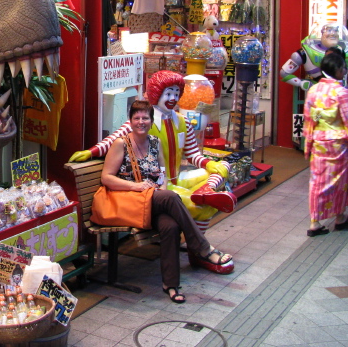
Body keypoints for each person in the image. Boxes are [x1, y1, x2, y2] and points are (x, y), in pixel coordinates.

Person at [100, 100, 233, 304]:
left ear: (151, 121)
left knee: (170, 226)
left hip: (153, 201)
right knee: (171, 197)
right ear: (131, 121)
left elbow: (162, 175)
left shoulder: (155, 142)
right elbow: (106, 177)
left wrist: (160, 193)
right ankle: (202, 247)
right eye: (137, 118)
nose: (141, 122)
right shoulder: (121, 144)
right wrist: (136, 186)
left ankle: (171, 285)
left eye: (145, 118)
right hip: (131, 202)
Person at [71, 71, 236, 231]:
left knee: (223, 167)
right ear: (157, 93)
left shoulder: (183, 121)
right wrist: (92, 152)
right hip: (158, 187)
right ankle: (198, 245)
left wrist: (209, 163)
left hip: (178, 178)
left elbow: (193, 154)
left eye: (176, 93)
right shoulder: (145, 121)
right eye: (168, 93)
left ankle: (206, 191)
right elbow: (115, 138)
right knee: (201, 207)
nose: (173, 98)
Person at [303, 52, 348, 236]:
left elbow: (309, 119)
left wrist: (308, 143)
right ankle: (340, 216)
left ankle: (314, 222)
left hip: (319, 142)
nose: (344, 71)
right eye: (343, 67)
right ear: (336, 69)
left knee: (317, 181)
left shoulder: (313, 90)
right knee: (339, 182)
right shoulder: (341, 92)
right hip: (338, 144)